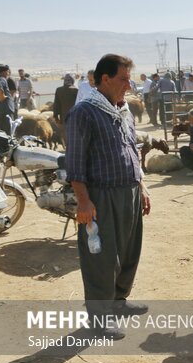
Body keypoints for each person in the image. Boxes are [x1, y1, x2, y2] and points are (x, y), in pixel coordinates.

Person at [65, 54, 151, 339]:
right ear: (105, 79)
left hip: (129, 192)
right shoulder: (85, 113)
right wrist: (84, 201)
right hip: (100, 197)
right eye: (124, 79)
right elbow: (75, 163)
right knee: (101, 259)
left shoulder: (122, 111)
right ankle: (100, 319)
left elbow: (132, 152)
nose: (129, 86)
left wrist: (142, 187)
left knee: (128, 251)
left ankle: (118, 301)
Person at [53, 74, 79, 146]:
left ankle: (68, 150)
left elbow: (56, 104)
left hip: (64, 118)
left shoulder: (59, 90)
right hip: (75, 117)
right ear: (72, 81)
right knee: (75, 135)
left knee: (66, 135)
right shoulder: (76, 90)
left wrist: (56, 117)